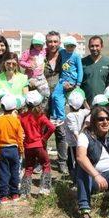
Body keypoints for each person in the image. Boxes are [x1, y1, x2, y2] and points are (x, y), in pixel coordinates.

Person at [19, 91, 55, 195]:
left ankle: (24, 192)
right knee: (46, 165)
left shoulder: (21, 117)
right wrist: (44, 138)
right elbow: (52, 127)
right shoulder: (41, 116)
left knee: (29, 168)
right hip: (39, 145)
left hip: (28, 146)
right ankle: (44, 189)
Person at [43, 31, 68, 174]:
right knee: (43, 130)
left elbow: (73, 71)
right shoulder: (41, 56)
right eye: (49, 42)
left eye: (55, 41)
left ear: (59, 43)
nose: (52, 44)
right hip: (44, 100)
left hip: (59, 100)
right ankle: (42, 161)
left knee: (61, 131)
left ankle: (62, 162)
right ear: (46, 43)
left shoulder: (65, 56)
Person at [0, 94, 24, 203]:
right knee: (15, 171)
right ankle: (15, 193)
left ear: (2, 107)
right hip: (14, 149)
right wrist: (21, 150)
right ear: (14, 108)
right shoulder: (16, 120)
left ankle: (4, 195)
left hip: (2, 150)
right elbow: (20, 137)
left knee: (3, 172)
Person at [50, 36, 82, 126]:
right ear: (65, 46)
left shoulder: (76, 56)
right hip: (62, 79)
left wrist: (78, 83)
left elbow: (80, 70)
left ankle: (61, 117)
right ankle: (54, 116)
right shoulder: (62, 52)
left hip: (70, 80)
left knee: (57, 96)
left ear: (75, 47)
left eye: (72, 46)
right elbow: (55, 47)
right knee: (53, 96)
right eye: (68, 46)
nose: (70, 48)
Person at [64, 90, 89, 180]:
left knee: (73, 162)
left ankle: (75, 180)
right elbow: (88, 109)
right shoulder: (82, 112)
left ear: (70, 105)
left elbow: (75, 132)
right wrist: (85, 100)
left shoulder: (70, 116)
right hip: (80, 142)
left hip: (74, 144)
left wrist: (79, 144)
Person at [81, 36, 109, 104]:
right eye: (92, 46)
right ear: (88, 47)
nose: (94, 48)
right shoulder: (82, 62)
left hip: (103, 105)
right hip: (85, 105)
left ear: (102, 46)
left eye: (97, 46)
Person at [19, 33, 49, 98]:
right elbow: (21, 61)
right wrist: (28, 65)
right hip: (30, 77)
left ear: (43, 44)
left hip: (41, 77)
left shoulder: (44, 51)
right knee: (29, 96)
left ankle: (41, 107)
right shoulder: (28, 52)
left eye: (39, 44)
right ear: (32, 43)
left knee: (46, 94)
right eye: (36, 44)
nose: (37, 45)